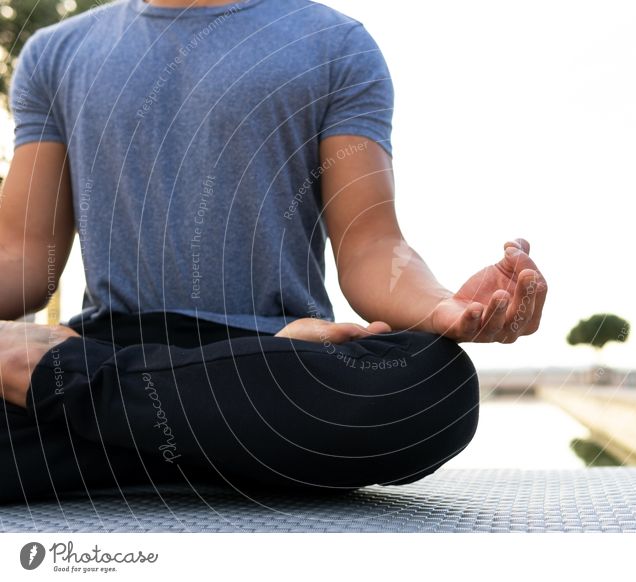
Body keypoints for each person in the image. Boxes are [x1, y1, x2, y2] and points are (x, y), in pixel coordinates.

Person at [0, 0, 547, 503]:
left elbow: (372, 244)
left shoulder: (334, 44)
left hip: (275, 355)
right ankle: (228, 445)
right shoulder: (55, 53)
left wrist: (441, 308)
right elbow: (23, 250)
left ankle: (69, 392)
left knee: (433, 386)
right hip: (116, 348)